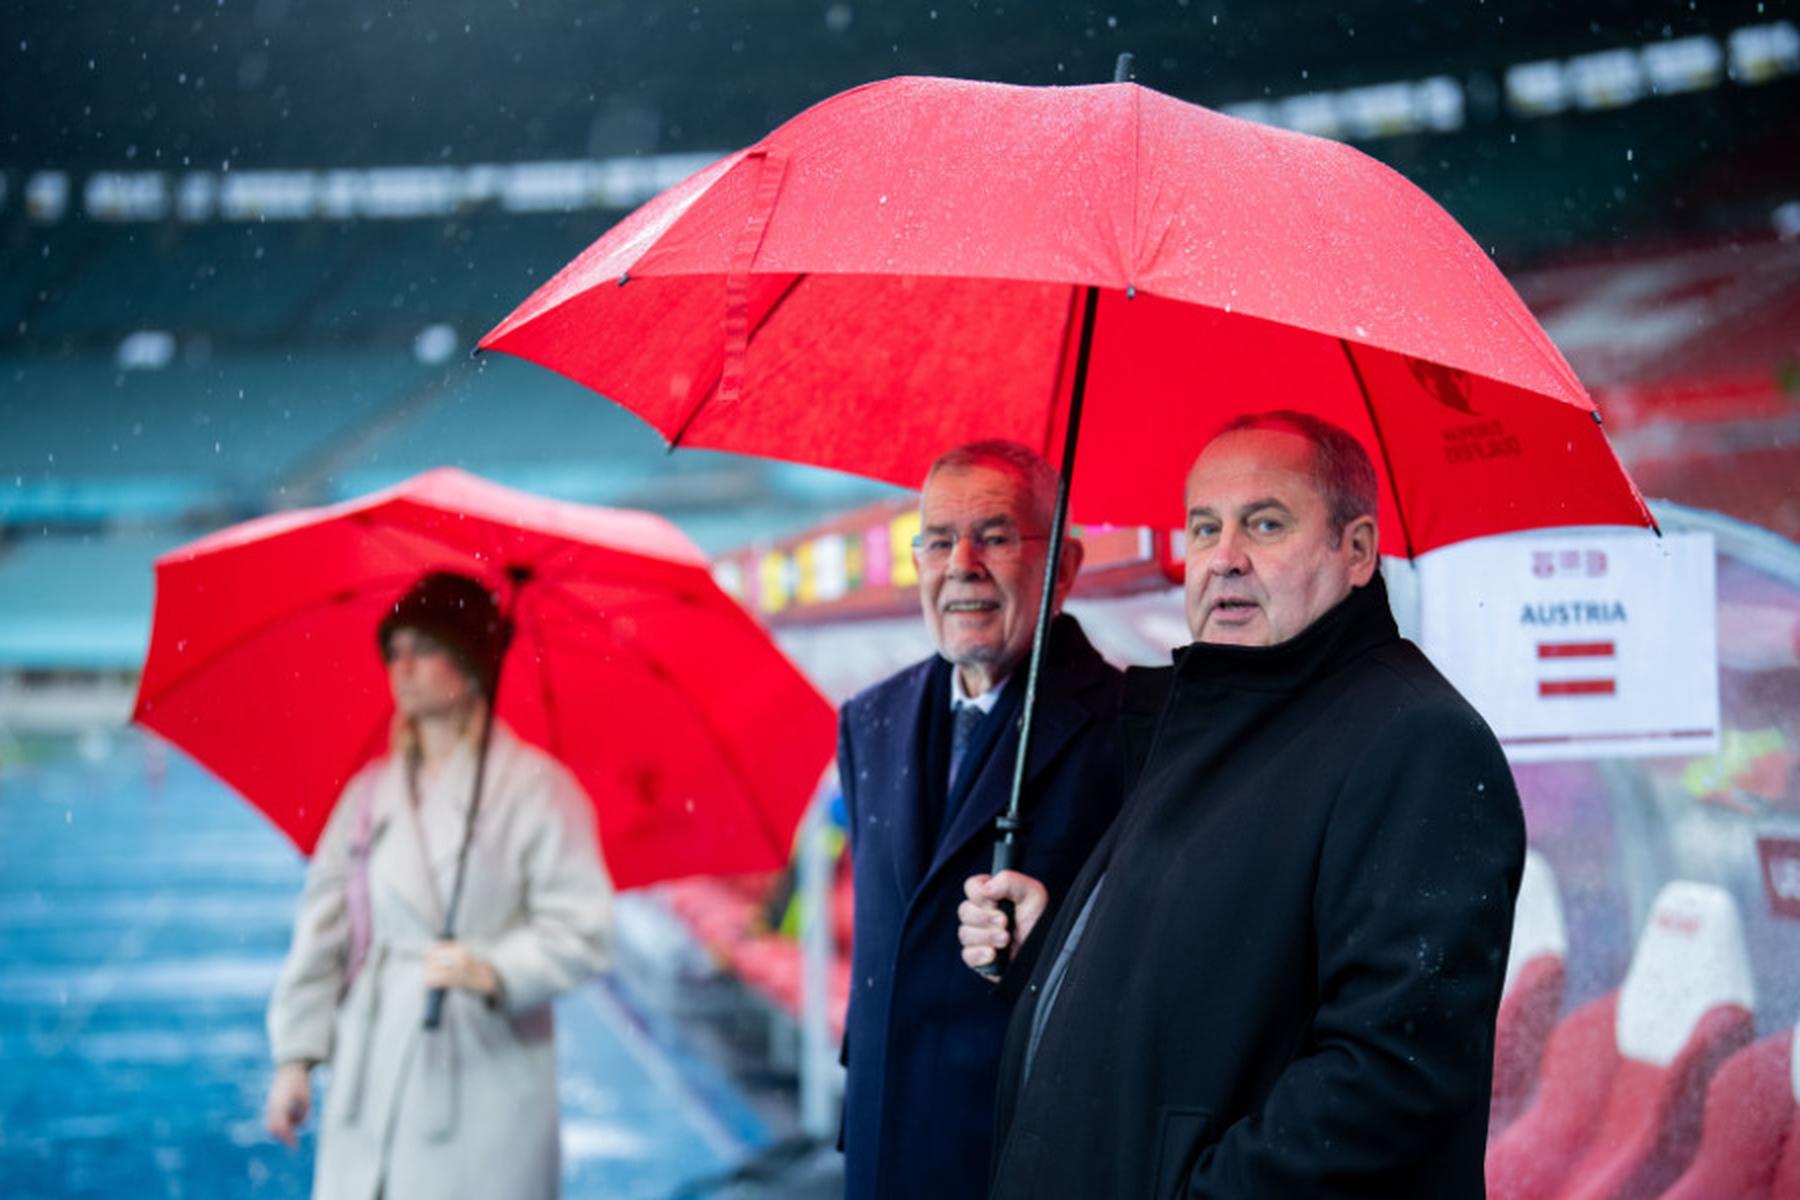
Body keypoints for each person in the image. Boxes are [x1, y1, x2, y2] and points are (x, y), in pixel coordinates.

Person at [960, 412, 1526, 1197]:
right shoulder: (1218, 716)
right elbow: (1219, 970)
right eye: (1203, 528)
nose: (1224, 559)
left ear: (1356, 551)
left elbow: (1390, 1077)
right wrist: (1058, 943)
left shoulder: (1417, 741)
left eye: (1265, 524)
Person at [836, 440, 1127, 1200]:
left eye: (996, 536)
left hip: (1023, 1156)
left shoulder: (1132, 728)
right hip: (880, 1140)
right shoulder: (868, 721)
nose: (962, 563)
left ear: (1063, 567)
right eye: (937, 540)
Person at [262, 570, 612, 1200]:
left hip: (486, 1068)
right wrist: (296, 1059)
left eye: (424, 649)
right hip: (373, 1061)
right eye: (394, 651)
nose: (403, 667)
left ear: (470, 665)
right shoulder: (368, 795)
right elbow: (323, 934)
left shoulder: (537, 791)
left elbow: (584, 929)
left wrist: (494, 967)